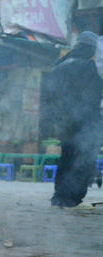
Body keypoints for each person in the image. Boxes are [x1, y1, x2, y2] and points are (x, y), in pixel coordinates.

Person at [44, 31, 103, 210]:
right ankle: (74, 198)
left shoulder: (58, 67)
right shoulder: (90, 68)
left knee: (67, 157)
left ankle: (59, 197)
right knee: (84, 158)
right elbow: (93, 97)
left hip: (65, 122)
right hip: (86, 122)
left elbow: (50, 97)